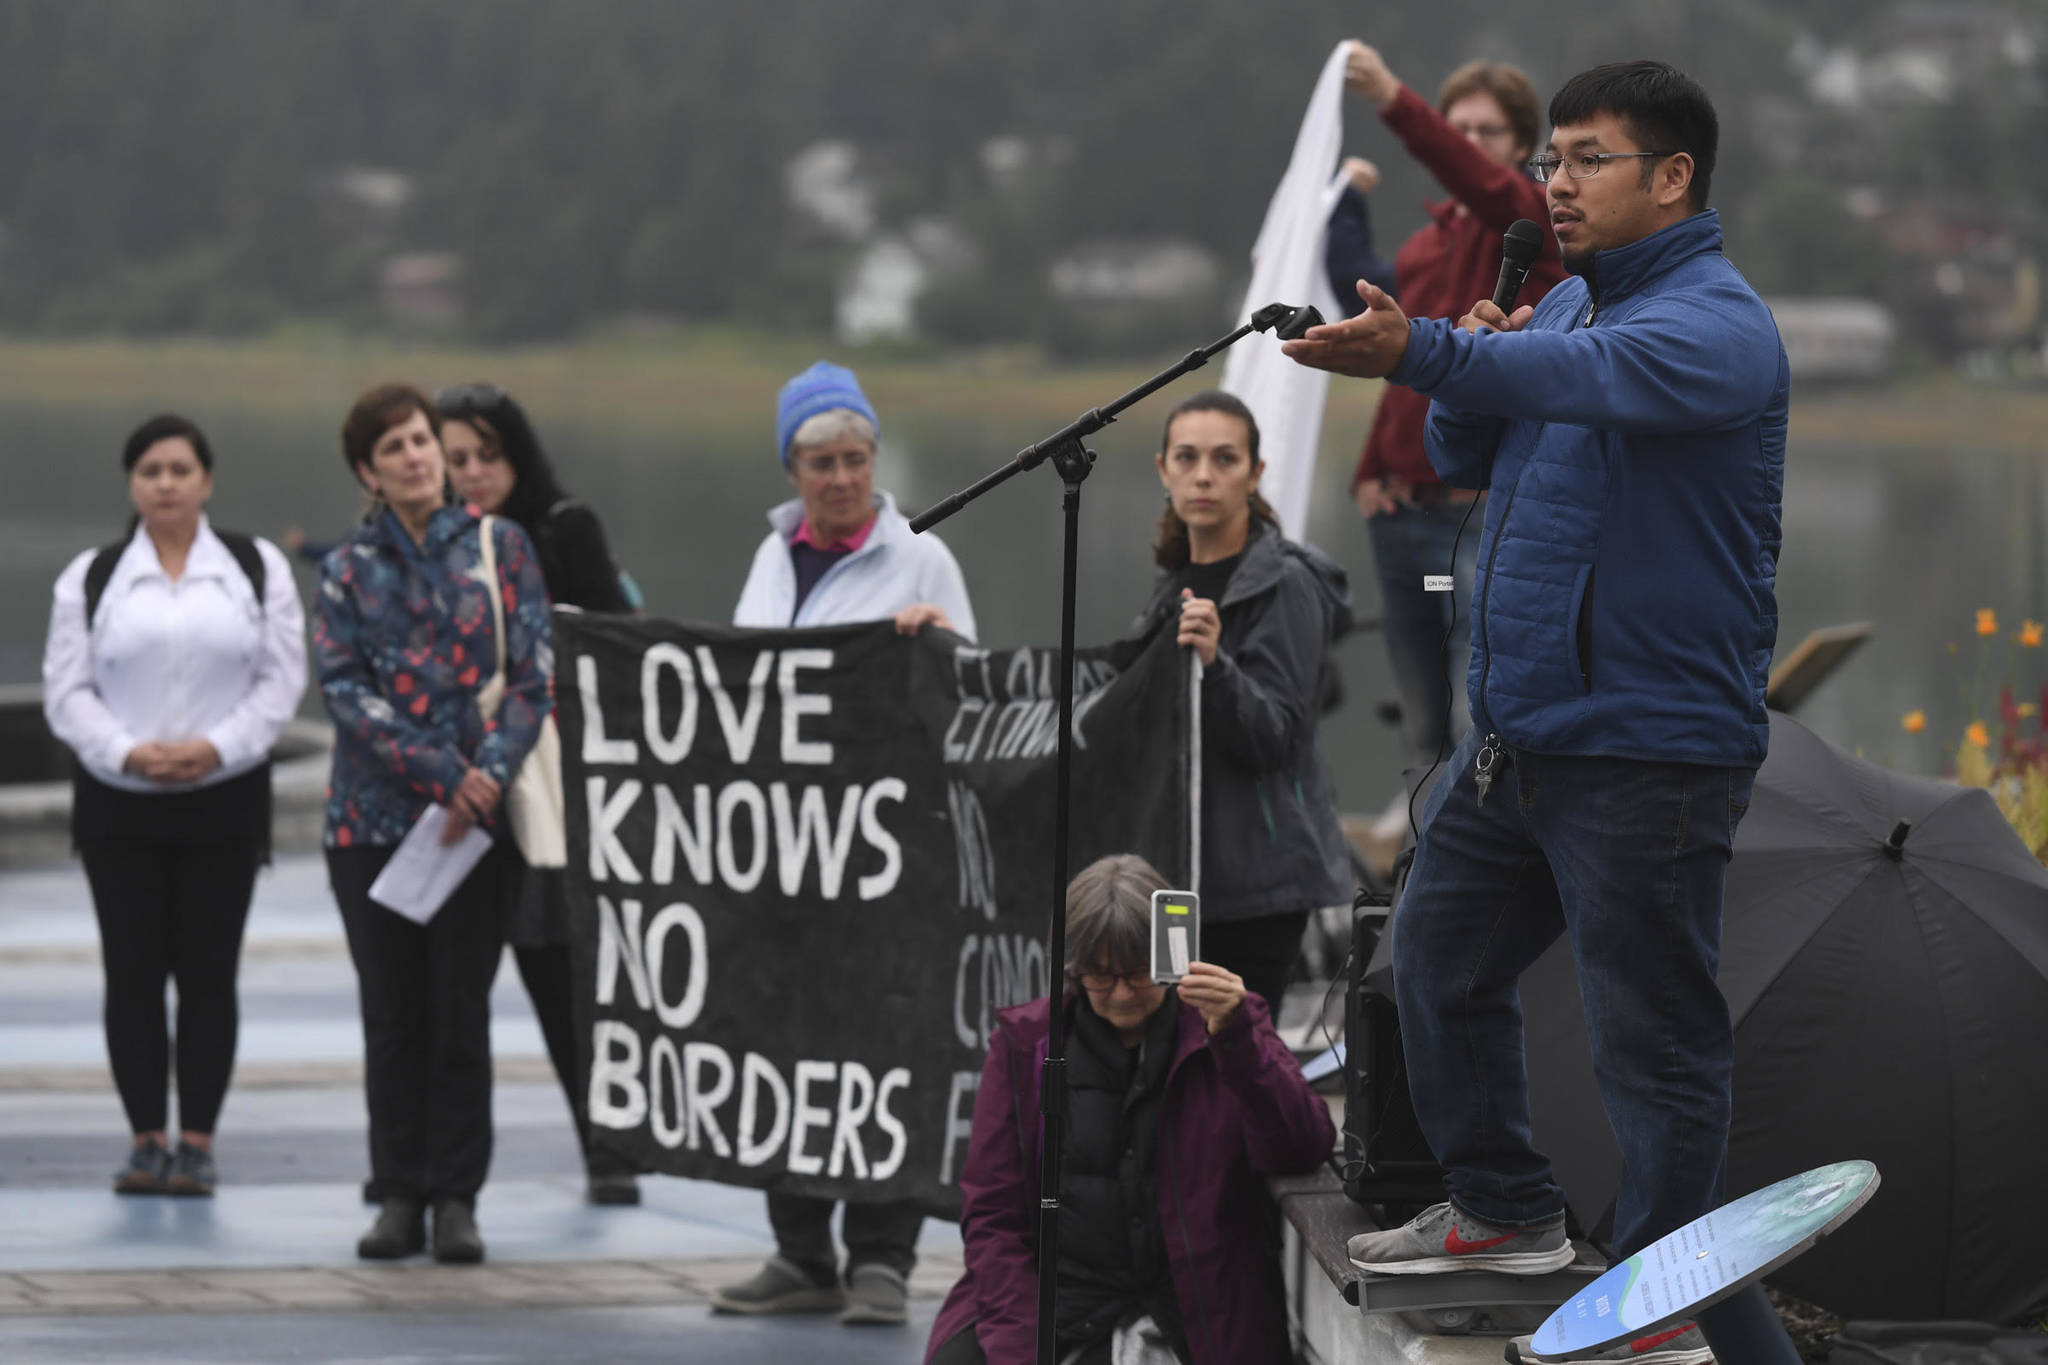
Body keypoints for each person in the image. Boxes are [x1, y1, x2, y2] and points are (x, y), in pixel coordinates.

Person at [1284, 61, 1792, 1364]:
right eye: (1550, 159)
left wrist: (1440, 346)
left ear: (1673, 177)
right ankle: (1505, 1209)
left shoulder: (1715, 327)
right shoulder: (1563, 301)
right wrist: (1475, 362)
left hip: (1648, 749)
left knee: (1653, 1045)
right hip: (1521, 737)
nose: (1553, 184)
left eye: (1586, 160)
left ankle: (1656, 1293)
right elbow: (1463, 457)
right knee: (1432, 966)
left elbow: (1592, 380)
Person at [712, 360, 975, 1326]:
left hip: (886, 852)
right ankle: (797, 1248)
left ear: (874, 459)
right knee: (785, 1044)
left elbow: (969, 695)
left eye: (855, 457)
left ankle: (880, 1255)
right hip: (782, 850)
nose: (840, 476)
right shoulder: (770, 558)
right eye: (821, 461)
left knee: (879, 1046)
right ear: (793, 470)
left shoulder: (920, 556)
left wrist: (936, 640)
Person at [923, 854, 1336, 1365]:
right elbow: (994, 1218)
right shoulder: (1022, 1045)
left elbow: (1302, 1145)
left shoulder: (1229, 1025)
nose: (1120, 994)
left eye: (1138, 974)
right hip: (1059, 1302)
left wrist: (1241, 1042)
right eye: (1097, 976)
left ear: (1170, 954)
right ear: (1069, 970)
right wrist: (1020, 1352)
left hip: (1198, 1309)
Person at [315, 383, 553, 1266]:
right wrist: (443, 772)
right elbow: (343, 690)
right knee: (393, 1012)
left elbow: (535, 679)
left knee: (462, 1008)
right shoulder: (344, 569)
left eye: (423, 440)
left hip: (475, 824)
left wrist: (486, 774)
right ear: (367, 471)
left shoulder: (502, 546)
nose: (418, 457)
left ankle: (457, 1197)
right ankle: (398, 1191)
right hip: (372, 824)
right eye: (396, 449)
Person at [41, 414, 307, 1198]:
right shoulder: (91, 576)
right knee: (130, 974)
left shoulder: (256, 569)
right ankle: (143, 1138)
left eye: (180, 469)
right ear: (133, 483)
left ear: (207, 480)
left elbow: (281, 680)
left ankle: (198, 1141)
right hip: (119, 806)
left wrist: (215, 748)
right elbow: (67, 689)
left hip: (222, 804)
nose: (166, 483)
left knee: (208, 975)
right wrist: (129, 751)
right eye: (151, 470)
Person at [1325, 43, 1565, 771]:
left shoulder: (1531, 217)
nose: (1463, 143)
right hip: (1403, 522)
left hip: (1478, 513)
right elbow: (1379, 325)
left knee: (1475, 707)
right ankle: (1421, 857)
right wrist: (1346, 201)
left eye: (1483, 132)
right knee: (1420, 706)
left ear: (1521, 147)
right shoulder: (1431, 244)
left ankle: (1477, 853)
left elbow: (1478, 180)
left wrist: (1395, 99)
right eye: (1452, 126)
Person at [437, 380, 640, 1208]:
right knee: (451, 989)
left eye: (488, 455)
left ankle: (606, 1144)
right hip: (459, 786)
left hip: (557, 785)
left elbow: (617, 646)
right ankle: (439, 1179)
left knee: (562, 973)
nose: (474, 473)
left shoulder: (564, 526)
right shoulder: (434, 539)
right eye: (457, 459)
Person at [1125, 390, 1353, 1014]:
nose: (1204, 475)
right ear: (1163, 469)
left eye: (1225, 459)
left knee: (1235, 1069)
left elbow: (1273, 738)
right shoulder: (1169, 587)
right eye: (1188, 457)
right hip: (1174, 879)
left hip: (1258, 886)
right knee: (1173, 1056)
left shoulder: (1289, 584)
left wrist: (1213, 664)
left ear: (1255, 474)